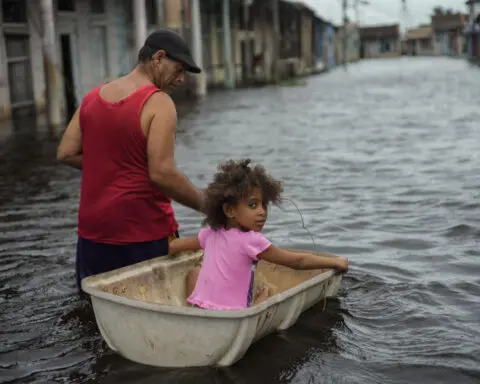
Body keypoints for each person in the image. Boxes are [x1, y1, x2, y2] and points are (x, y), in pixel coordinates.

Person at [56, 29, 205, 292]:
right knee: (155, 309)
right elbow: (162, 174)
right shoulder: (159, 103)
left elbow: (66, 152)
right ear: (158, 58)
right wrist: (209, 206)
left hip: (93, 234)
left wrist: (111, 164)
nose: (181, 79)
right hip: (142, 232)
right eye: (179, 69)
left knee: (97, 312)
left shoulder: (93, 97)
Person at [168, 159, 349, 310]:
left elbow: (174, 246)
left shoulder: (210, 233)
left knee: (194, 272)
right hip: (234, 315)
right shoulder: (252, 241)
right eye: (253, 205)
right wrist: (335, 262)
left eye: (264, 205)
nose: (262, 212)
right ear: (229, 210)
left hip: (202, 310)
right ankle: (265, 294)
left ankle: (192, 308)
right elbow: (296, 261)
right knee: (268, 292)